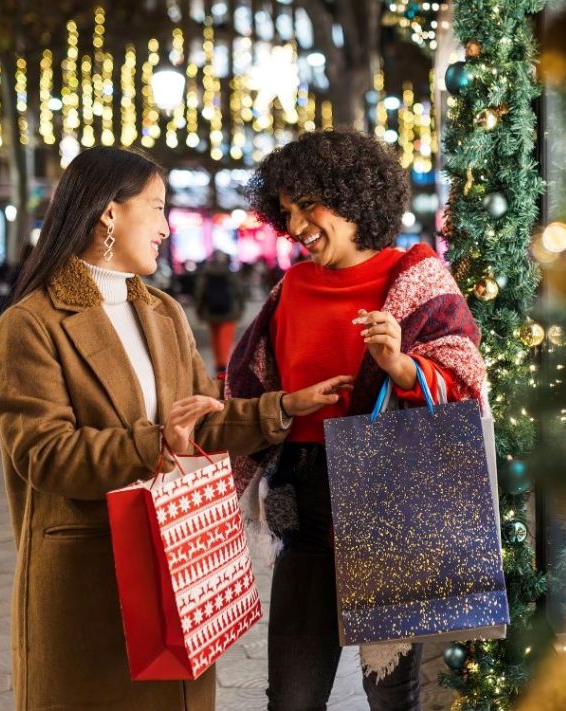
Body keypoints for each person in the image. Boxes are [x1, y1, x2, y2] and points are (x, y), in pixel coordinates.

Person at [0, 146, 353, 711]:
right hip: (91, 578)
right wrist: (156, 444)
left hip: (176, 566)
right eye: (155, 207)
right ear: (109, 213)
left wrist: (282, 407)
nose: (165, 225)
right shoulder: (30, 325)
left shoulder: (161, 311)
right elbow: (45, 456)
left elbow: (199, 417)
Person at [227, 128, 487, 711]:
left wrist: (399, 366)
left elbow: (467, 384)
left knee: (391, 694)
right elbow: (252, 386)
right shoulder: (290, 286)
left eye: (307, 206)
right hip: (301, 496)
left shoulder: (416, 278)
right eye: (287, 212)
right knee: (292, 696)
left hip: (389, 496)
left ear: (350, 195)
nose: (295, 227)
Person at [194, 250, 247, 374]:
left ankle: (218, 364)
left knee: (215, 339)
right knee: (226, 339)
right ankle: (223, 365)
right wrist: (241, 308)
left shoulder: (206, 274)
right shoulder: (230, 273)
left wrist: (199, 311)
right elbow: (240, 292)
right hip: (229, 312)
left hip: (211, 312)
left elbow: (199, 293)